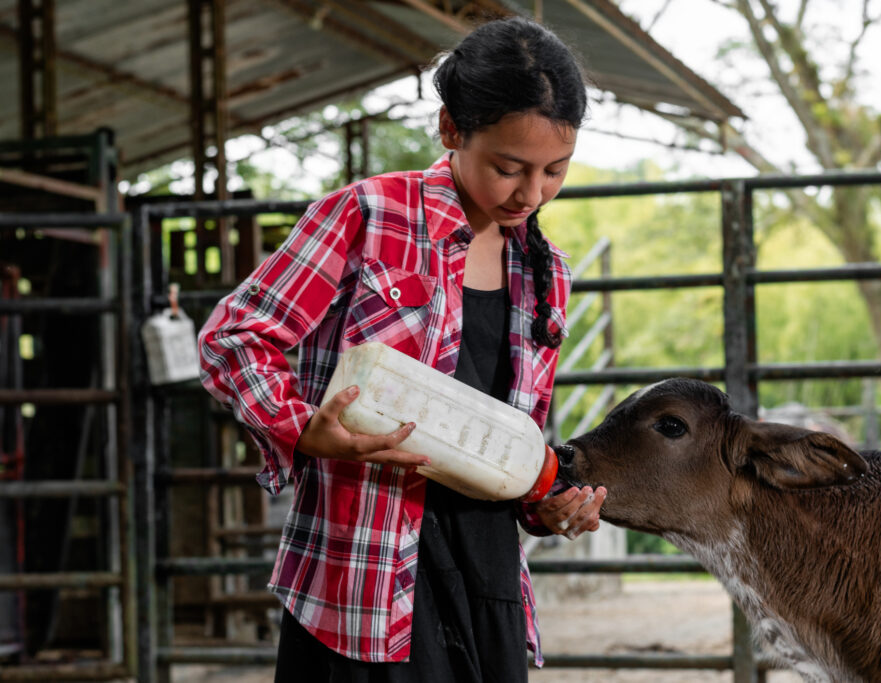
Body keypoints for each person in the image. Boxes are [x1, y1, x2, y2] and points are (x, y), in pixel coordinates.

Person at [197, 15, 607, 683]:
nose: (531, 194)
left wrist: (549, 503)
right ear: (451, 130)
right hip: (366, 571)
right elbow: (233, 339)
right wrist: (305, 429)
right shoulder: (366, 216)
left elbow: (512, 431)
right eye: (509, 168)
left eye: (554, 171)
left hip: (488, 575)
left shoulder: (547, 272)